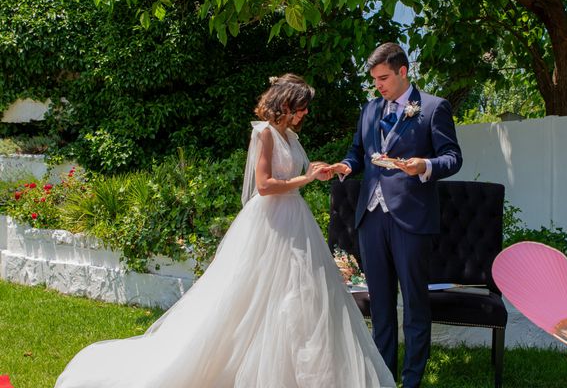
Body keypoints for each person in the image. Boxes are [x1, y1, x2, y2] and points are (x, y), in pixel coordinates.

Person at [55, 74, 395, 388]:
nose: (305, 113)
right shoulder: (263, 133)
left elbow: (290, 177)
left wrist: (316, 171)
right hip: (270, 223)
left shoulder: (290, 136)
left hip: (295, 218)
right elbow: (263, 186)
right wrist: (304, 179)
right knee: (252, 294)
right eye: (302, 106)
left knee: (303, 294)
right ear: (287, 103)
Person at [329, 42, 463, 388]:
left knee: (416, 304)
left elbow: (452, 157)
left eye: (384, 78)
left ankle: (412, 380)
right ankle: (383, 377)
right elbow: (358, 152)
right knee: (381, 306)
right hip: (370, 218)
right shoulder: (370, 109)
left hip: (412, 219)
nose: (379, 85)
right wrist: (345, 165)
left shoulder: (434, 108)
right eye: (374, 79)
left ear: (403, 71)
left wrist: (425, 165)